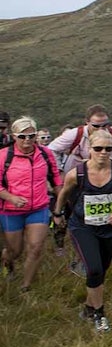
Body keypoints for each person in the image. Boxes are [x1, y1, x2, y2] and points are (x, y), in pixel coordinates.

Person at [53, 129, 112, 333]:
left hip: (111, 228)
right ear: (89, 149)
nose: (103, 152)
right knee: (93, 269)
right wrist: (57, 214)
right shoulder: (77, 173)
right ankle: (100, 314)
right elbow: (63, 194)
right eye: (98, 148)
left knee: (101, 270)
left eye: (108, 149)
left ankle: (88, 308)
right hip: (83, 226)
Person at [0, 116, 62, 292]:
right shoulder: (4, 156)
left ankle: (25, 287)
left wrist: (61, 202)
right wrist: (11, 197)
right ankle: (7, 263)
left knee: (35, 248)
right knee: (15, 251)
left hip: (38, 208)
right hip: (10, 210)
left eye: (31, 135)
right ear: (14, 136)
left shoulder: (45, 153)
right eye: (22, 136)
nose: (27, 140)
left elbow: (55, 177)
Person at [47, 104, 112, 165]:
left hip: (108, 177)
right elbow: (51, 149)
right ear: (87, 122)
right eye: (96, 126)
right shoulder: (75, 134)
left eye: (105, 125)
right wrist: (58, 171)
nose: (100, 129)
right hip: (76, 180)